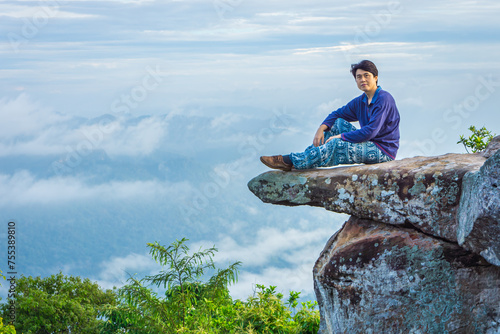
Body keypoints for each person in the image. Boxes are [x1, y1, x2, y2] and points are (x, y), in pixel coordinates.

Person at [260, 60, 400, 171]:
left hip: (383, 151)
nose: (362, 79)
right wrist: (321, 128)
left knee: (336, 143)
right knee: (337, 123)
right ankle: (301, 158)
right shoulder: (361, 101)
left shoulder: (383, 99)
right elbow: (337, 114)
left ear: (375, 78)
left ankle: (290, 160)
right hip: (369, 143)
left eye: (366, 76)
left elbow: (370, 132)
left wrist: (341, 136)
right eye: (358, 77)